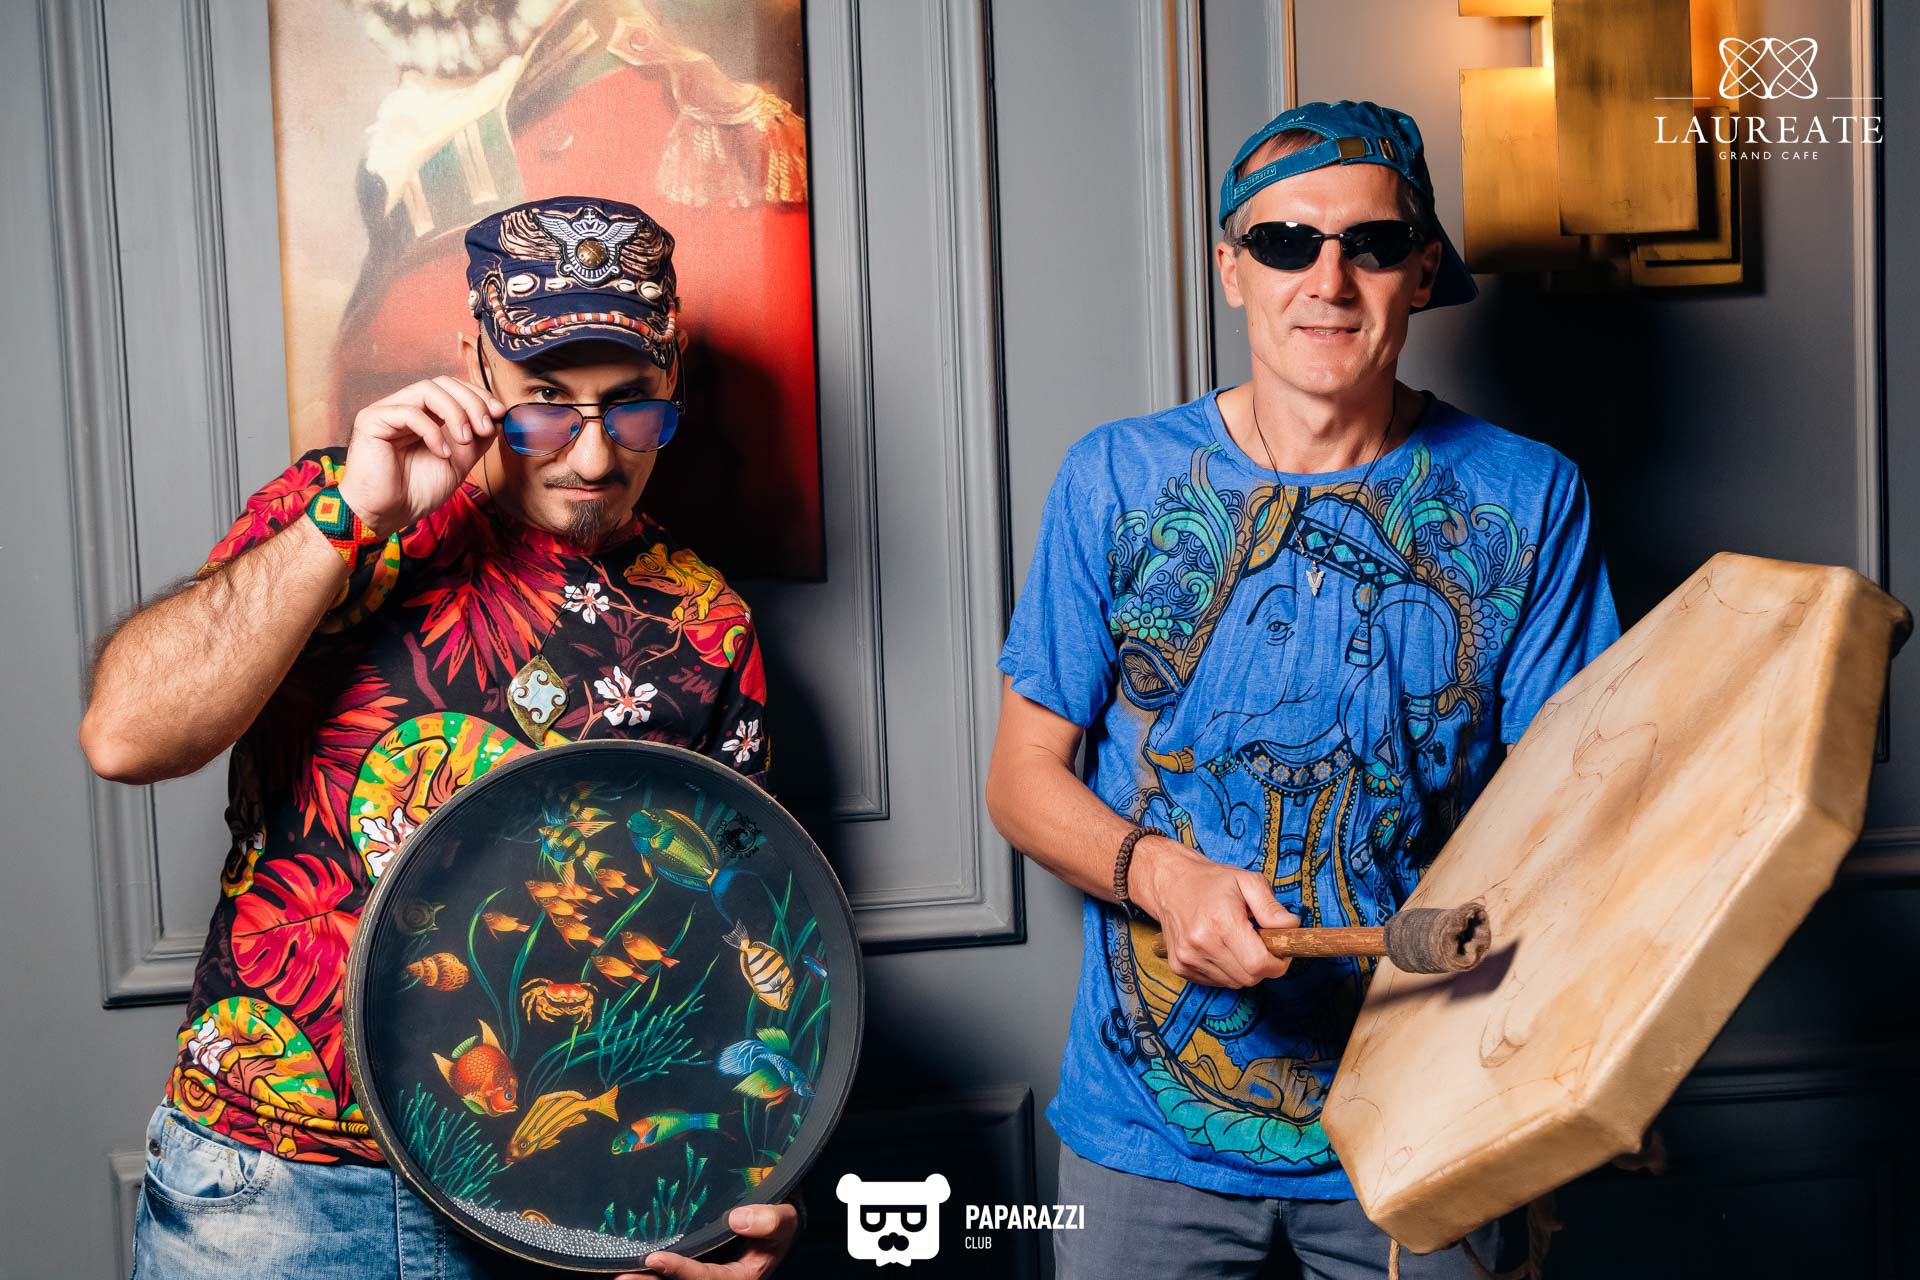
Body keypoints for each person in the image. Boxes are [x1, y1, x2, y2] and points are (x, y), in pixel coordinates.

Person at [83, 196, 793, 1279]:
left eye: (632, 408)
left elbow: (729, 942)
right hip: (274, 1190)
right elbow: (124, 735)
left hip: (548, 1201)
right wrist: (350, 522)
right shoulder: (339, 511)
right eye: (546, 403)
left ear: (673, 376)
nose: (593, 455)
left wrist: (749, 1189)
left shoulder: (705, 625)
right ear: (475, 364)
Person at [985, 101, 1620, 1279]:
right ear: (1232, 267)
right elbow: (1022, 778)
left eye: (1371, 244)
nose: (1328, 280)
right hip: (1147, 1136)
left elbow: (1573, 811)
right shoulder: (1114, 478)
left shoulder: (1532, 497)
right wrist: (1162, 874)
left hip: (1426, 1117)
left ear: (1421, 271)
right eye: (1285, 242)